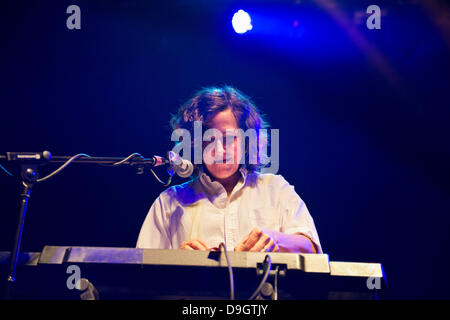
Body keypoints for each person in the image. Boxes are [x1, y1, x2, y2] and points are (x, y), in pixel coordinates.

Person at [136, 86, 322, 253]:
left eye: (228, 138)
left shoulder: (276, 189)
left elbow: (311, 248)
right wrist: (177, 262)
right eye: (209, 139)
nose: (218, 150)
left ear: (247, 141)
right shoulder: (169, 203)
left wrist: (275, 239)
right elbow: (140, 276)